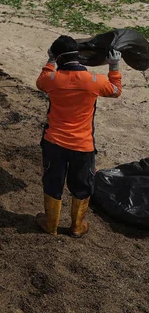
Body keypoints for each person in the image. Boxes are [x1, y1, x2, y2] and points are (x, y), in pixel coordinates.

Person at [35, 36, 122, 237]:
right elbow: (116, 91)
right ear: (79, 55)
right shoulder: (95, 81)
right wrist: (114, 66)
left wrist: (50, 61)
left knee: (53, 181)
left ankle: (51, 225)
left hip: (54, 142)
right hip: (82, 145)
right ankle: (76, 226)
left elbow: (41, 81)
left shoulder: (51, 80)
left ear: (58, 58)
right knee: (82, 184)